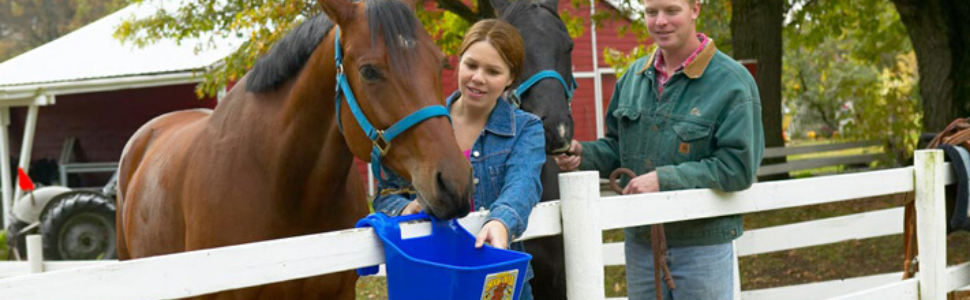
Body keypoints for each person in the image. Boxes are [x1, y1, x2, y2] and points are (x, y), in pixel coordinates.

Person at [555, 0, 764, 298]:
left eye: (671, 11)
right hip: (642, 245)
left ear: (695, 9)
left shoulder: (732, 83)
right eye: (651, 12)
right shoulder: (632, 79)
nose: (660, 21)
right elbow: (617, 148)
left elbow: (738, 168)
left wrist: (663, 180)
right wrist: (582, 155)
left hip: (702, 246)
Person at [371, 19, 545, 300]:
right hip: (432, 275)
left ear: (510, 78)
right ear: (459, 60)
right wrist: (406, 209)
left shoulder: (527, 129)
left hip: (496, 280)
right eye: (471, 65)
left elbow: (523, 184)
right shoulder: (421, 126)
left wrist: (500, 222)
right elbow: (387, 193)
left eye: (492, 71)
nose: (478, 77)